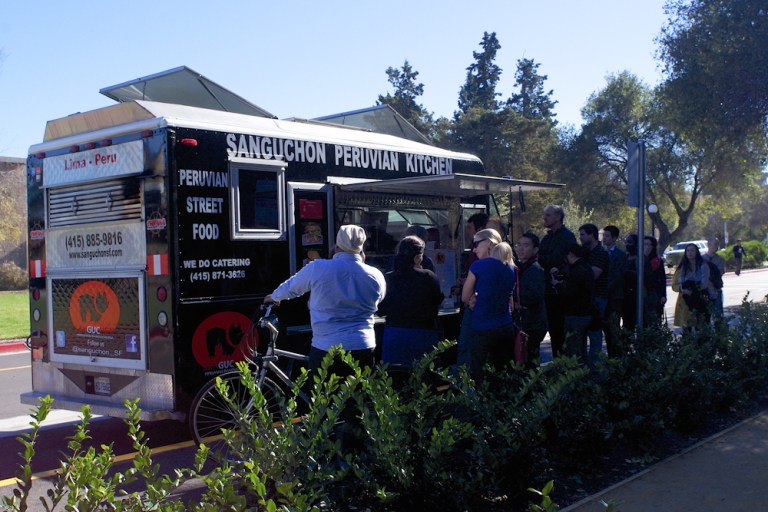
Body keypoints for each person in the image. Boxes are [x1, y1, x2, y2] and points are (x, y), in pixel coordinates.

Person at [265, 225, 386, 377]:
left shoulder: (318, 267)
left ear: (336, 246)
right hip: (363, 345)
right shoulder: (376, 275)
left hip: (326, 346)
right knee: (357, 397)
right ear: (361, 249)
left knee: (322, 396)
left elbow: (291, 288)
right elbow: (378, 299)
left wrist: (274, 297)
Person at [378, 236, 443, 367]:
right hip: (424, 334)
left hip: (395, 334)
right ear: (418, 257)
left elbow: (381, 310)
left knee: (396, 379)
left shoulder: (388, 278)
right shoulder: (428, 277)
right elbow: (437, 302)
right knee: (426, 380)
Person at [461, 230, 514, 381]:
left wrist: (473, 296)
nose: (474, 249)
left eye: (476, 244)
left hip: (482, 329)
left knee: (480, 376)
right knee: (501, 374)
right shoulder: (510, 268)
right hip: (505, 327)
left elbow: (465, 297)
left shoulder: (478, 266)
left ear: (489, 243)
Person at [538, 205, 578, 358]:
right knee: (553, 329)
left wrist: (549, 261)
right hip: (548, 289)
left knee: (562, 329)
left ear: (557, 217)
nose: (545, 218)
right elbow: (541, 257)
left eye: (548, 215)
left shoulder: (567, 236)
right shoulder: (547, 238)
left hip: (561, 290)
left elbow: (557, 259)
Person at [454, 212, 491, 367]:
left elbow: (465, 296)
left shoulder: (481, 262)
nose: (467, 231)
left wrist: (468, 285)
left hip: (474, 305)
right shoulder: (473, 251)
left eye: (469, 227)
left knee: (468, 346)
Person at [551, 244, 595, 364]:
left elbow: (570, 293)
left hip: (576, 314)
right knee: (581, 348)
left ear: (570, 255)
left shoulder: (577, 270)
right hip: (585, 313)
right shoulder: (585, 267)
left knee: (574, 349)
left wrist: (557, 285)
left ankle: (576, 376)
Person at [514, 232, 548, 365]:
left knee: (530, 361)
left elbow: (534, 295)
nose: (521, 249)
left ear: (535, 249)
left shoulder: (535, 269)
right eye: (519, 245)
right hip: (525, 322)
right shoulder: (521, 267)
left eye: (526, 245)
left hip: (533, 323)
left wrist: (515, 300)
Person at [579, 223, 609, 364]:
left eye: (583, 234)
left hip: (598, 297)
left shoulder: (601, 253)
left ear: (592, 234)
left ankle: (596, 367)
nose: (581, 238)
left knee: (595, 335)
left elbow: (593, 275)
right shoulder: (584, 252)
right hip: (585, 298)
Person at [672, 242, 710, 330]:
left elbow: (704, 284)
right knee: (686, 327)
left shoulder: (703, 266)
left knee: (700, 326)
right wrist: (683, 290)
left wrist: (694, 290)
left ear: (697, 252)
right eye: (688, 250)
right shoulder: (681, 268)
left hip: (700, 299)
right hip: (685, 301)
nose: (690, 253)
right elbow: (674, 286)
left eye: (692, 250)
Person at [602, 225, 626, 357]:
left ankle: (616, 356)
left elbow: (617, 276)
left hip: (614, 297)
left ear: (614, 238)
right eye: (603, 236)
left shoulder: (620, 255)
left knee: (613, 327)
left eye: (607, 236)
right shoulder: (601, 253)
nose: (604, 239)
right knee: (605, 328)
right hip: (603, 297)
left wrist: (606, 288)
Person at [642, 236, 668, 326]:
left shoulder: (657, 261)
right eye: (645, 244)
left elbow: (662, 279)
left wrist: (663, 295)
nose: (647, 247)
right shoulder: (638, 259)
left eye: (650, 245)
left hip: (654, 295)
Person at [703, 237, 726, 320]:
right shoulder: (701, 259)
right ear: (709, 245)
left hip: (716, 290)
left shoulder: (720, 260)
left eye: (718, 245)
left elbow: (720, 273)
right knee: (705, 316)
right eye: (715, 244)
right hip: (705, 291)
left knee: (718, 315)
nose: (717, 247)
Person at [622, 234, 639, 331]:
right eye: (626, 242)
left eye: (630, 242)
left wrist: (626, 272)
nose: (627, 245)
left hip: (637, 296)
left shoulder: (640, 258)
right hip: (626, 297)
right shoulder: (625, 257)